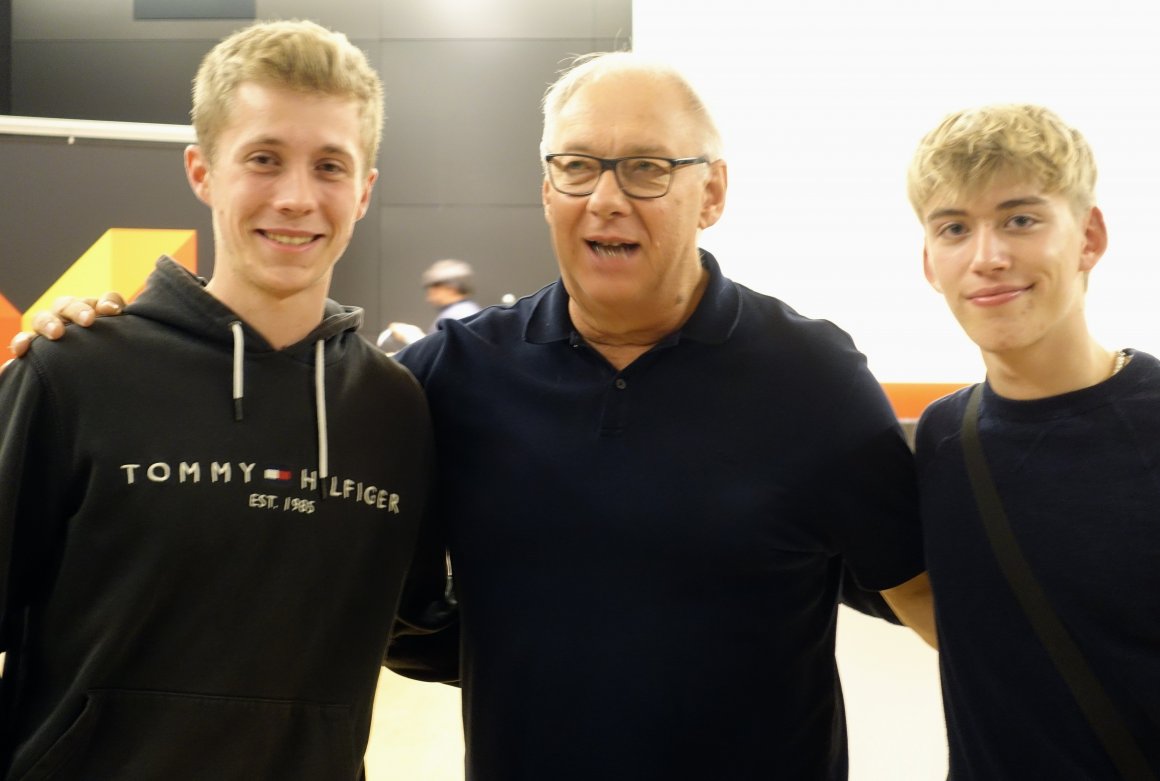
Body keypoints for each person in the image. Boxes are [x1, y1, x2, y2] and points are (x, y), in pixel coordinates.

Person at [11, 52, 935, 780]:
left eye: (648, 168)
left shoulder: (810, 373)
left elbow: (932, 593)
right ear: (546, 186)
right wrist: (104, 337)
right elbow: (393, 596)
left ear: (713, 192)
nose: (606, 196)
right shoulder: (451, 376)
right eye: (577, 165)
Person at [0, 20, 437, 780]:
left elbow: (426, 624)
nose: (297, 197)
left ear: (364, 190)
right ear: (202, 171)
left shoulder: (394, 410)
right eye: (264, 159)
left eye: (329, 165)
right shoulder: (72, 374)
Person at [908, 104, 1160, 778]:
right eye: (955, 228)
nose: (988, 256)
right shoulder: (942, 440)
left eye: (1020, 219)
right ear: (931, 263)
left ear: (1089, 237)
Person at [376, 258, 483, 349]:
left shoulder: (460, 314)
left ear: (451, 288)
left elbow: (445, 357)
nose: (429, 297)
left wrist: (412, 336)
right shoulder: (464, 311)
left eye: (434, 290)